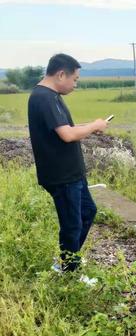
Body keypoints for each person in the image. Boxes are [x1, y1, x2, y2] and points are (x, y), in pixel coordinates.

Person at [28, 53, 108, 278]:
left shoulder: (52, 96)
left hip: (72, 173)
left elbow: (66, 127)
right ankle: (69, 272)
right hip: (61, 175)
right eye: (74, 80)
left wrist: (92, 125)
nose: (75, 85)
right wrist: (93, 126)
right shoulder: (43, 97)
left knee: (87, 212)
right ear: (61, 74)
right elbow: (66, 134)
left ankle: (66, 259)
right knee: (72, 224)